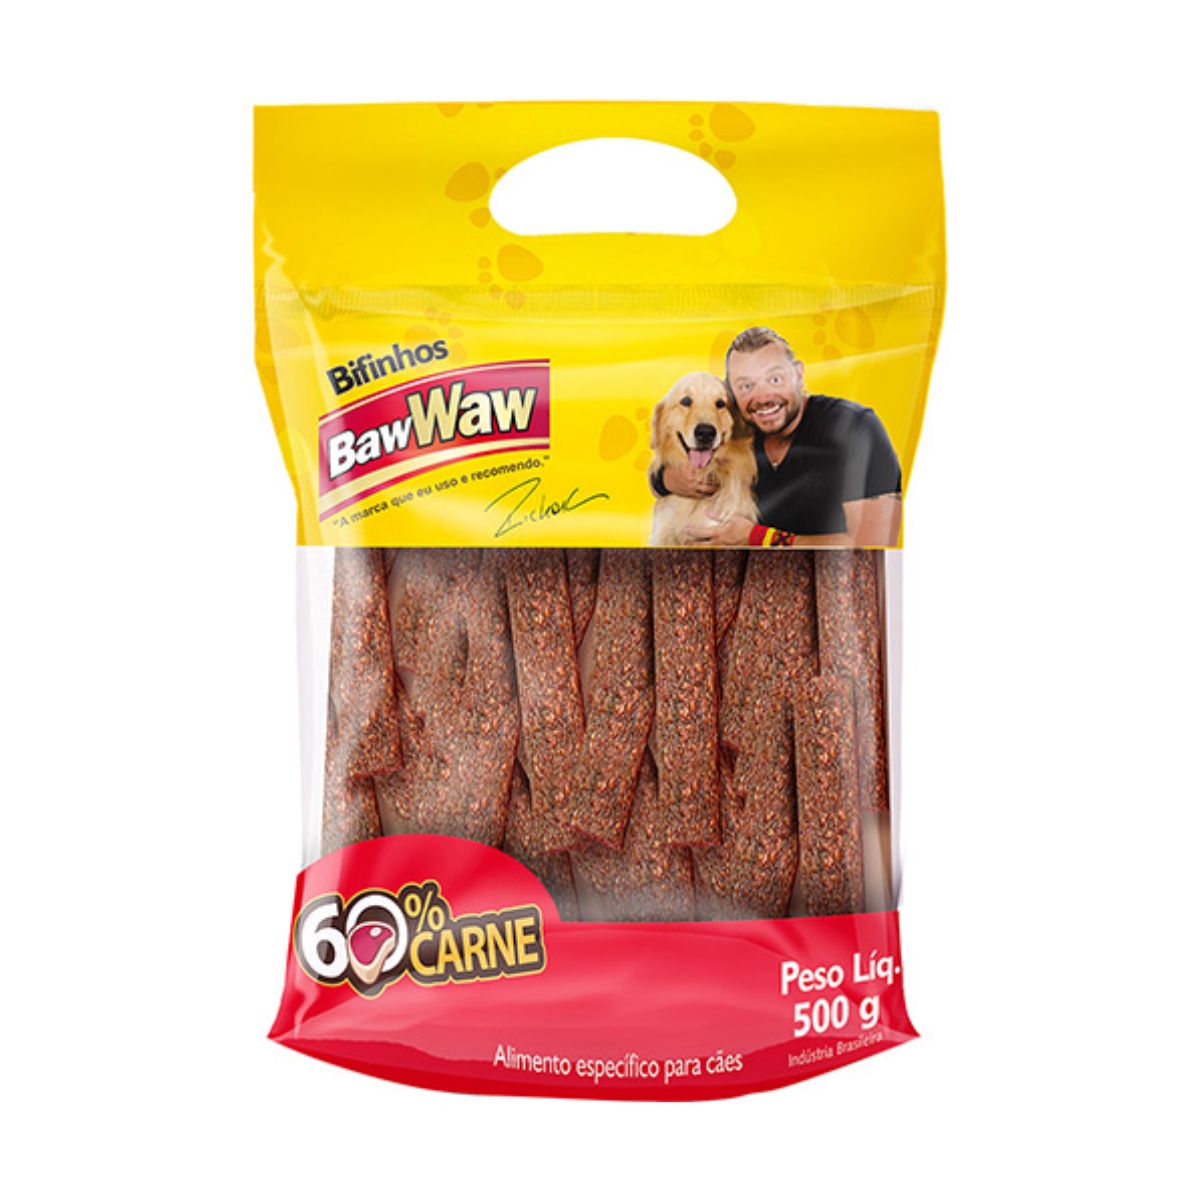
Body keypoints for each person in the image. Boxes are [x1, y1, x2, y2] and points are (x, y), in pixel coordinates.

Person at [650, 327, 902, 546]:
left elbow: (873, 546)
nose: (762, 397)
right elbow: (689, 455)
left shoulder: (856, 428)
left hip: (832, 580)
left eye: (774, 379)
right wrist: (665, 479)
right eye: (746, 385)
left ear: (799, 374)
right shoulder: (744, 431)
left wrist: (758, 537)